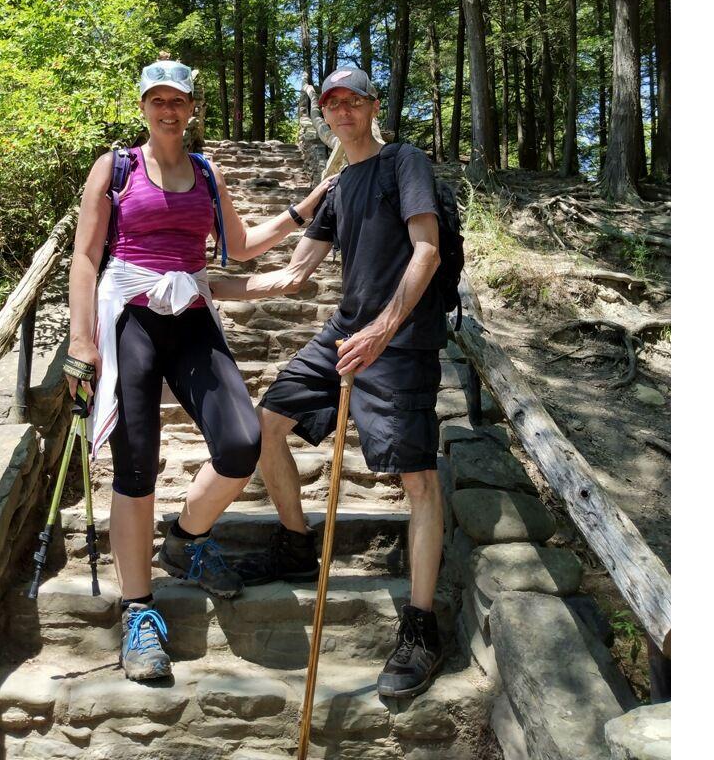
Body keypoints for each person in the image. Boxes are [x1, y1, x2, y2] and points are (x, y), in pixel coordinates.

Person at [64, 55, 331, 682]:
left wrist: (306, 207)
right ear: (143, 108)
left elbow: (237, 249)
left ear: (191, 108)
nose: (167, 109)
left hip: (190, 313)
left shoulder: (208, 174)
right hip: (128, 313)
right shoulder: (116, 168)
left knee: (241, 441)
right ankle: (139, 614)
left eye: (177, 100)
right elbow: (84, 257)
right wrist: (82, 340)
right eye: (157, 100)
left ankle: (186, 537)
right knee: (134, 465)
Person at [211, 66, 447, 699]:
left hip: (397, 343)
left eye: (353, 100)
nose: (342, 110)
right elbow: (290, 278)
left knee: (417, 477)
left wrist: (383, 330)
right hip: (341, 336)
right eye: (331, 102)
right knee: (265, 427)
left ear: (372, 106)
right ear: (323, 113)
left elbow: (427, 251)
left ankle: (421, 628)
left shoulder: (405, 162)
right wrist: (201, 286)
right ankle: (296, 541)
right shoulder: (339, 186)